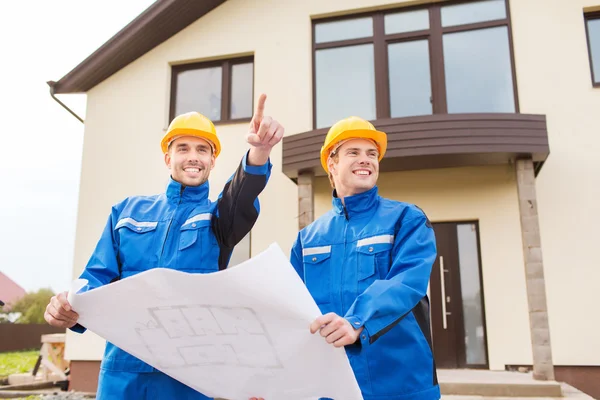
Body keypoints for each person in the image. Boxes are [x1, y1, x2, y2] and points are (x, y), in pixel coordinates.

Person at [44, 94, 281, 400]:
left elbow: (241, 195)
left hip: (188, 375)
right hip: (123, 372)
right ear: (168, 158)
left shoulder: (218, 218)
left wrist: (258, 152)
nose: (192, 156)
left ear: (212, 161)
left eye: (202, 149)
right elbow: (96, 277)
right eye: (182, 148)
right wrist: (69, 307)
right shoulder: (126, 213)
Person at [290, 116, 440, 400]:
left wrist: (357, 320)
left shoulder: (406, 219)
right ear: (332, 164)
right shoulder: (307, 240)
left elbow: (407, 281)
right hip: (332, 386)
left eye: (372, 154)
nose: (366, 160)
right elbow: (289, 309)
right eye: (354, 153)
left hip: (401, 383)